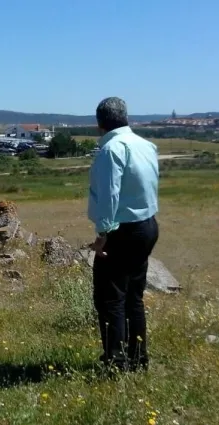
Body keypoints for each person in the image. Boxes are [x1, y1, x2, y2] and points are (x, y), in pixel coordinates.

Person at [87, 97, 160, 374]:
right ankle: (138, 358)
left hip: (123, 230)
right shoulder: (145, 145)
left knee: (110, 298)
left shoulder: (112, 149)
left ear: (100, 123)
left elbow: (110, 196)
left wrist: (103, 234)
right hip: (147, 224)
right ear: (126, 118)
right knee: (133, 297)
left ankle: (115, 363)